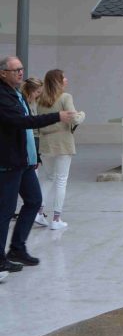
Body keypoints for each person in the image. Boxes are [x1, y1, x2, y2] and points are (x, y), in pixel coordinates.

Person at [0, 56, 76, 279]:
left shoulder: (16, 94)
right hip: (9, 161)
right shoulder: (3, 96)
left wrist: (33, 156)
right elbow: (22, 122)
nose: (20, 73)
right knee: (5, 210)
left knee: (33, 201)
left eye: (21, 69)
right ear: (3, 73)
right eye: (15, 70)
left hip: (23, 160)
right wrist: (57, 116)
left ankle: (17, 248)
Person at [36, 69, 86, 231]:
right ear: (58, 81)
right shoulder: (65, 97)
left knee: (48, 177)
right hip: (63, 142)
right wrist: (82, 114)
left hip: (46, 143)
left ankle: (38, 211)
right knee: (61, 180)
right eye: (63, 77)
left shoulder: (40, 99)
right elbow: (74, 118)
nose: (66, 79)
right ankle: (56, 219)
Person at [20, 78, 48, 226]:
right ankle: (37, 211)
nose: (39, 95)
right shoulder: (23, 102)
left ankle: (37, 210)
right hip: (29, 141)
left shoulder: (33, 102)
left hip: (35, 140)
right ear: (30, 91)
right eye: (37, 92)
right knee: (32, 178)